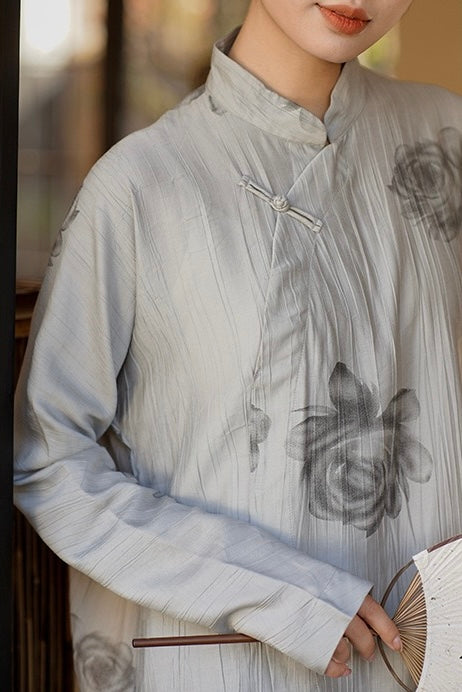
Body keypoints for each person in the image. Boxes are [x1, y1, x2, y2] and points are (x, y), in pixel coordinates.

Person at [14, 1, 462, 690]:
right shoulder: (141, 186)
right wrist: (278, 592)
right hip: (227, 663)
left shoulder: (447, 138)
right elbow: (47, 458)